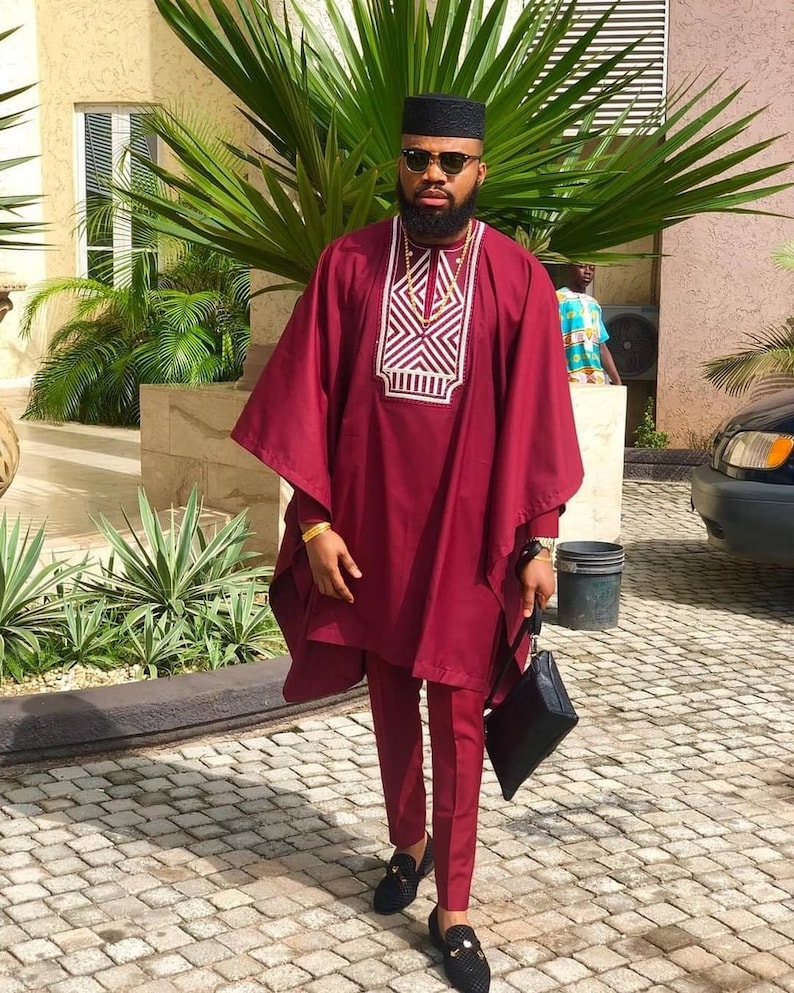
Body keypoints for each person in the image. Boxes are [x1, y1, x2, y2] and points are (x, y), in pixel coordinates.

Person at [232, 93, 583, 993]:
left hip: (471, 542)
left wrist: (539, 539)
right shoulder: (349, 265)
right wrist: (312, 521)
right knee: (389, 696)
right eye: (419, 157)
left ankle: (455, 903)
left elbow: (543, 414)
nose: (434, 175)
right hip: (369, 535)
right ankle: (409, 842)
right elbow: (306, 397)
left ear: (479, 173)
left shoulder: (516, 278)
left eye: (451, 161)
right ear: (399, 165)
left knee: (458, 713)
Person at [557, 263, 623, 385]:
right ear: (569, 268)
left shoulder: (594, 305)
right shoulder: (558, 299)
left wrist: (617, 381)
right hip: (566, 378)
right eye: (582, 266)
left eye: (592, 268)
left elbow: (601, 347)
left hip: (594, 379)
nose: (588, 271)